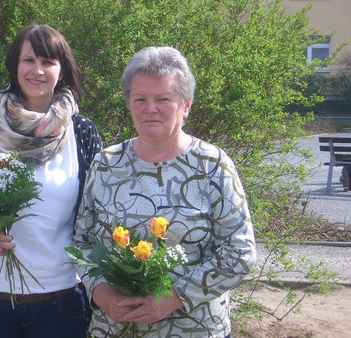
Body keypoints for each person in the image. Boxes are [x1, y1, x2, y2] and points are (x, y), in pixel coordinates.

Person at [73, 46, 257, 337]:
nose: (150, 108)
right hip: (114, 327)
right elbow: (80, 242)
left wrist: (174, 297)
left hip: (194, 328)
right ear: (129, 104)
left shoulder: (212, 165)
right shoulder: (106, 164)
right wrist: (101, 294)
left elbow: (241, 252)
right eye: (140, 99)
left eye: (163, 99)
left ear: (186, 105)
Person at [0, 24, 102, 337]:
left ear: (62, 69)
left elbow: (95, 215)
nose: (38, 70)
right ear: (15, 66)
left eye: (48, 62)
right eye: (29, 60)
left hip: (61, 302)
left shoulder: (81, 133)